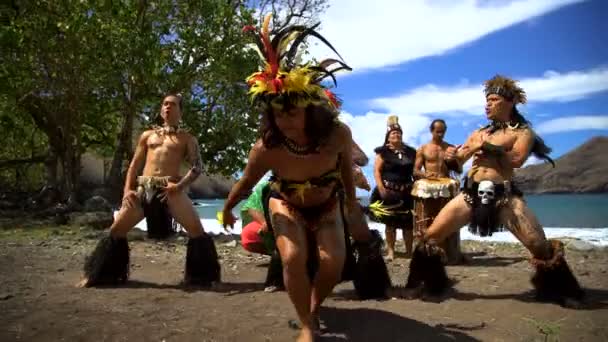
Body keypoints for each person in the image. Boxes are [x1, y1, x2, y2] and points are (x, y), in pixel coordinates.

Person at [222, 15, 390, 342]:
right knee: (293, 257)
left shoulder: (337, 134)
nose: (284, 119)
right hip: (285, 204)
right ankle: (307, 325)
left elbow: (344, 169)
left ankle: (313, 305)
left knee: (334, 262)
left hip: (328, 204)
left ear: (310, 109)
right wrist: (228, 208)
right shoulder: (266, 148)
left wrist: (353, 203)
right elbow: (245, 182)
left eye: (292, 112)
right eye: (277, 113)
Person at [406, 75, 584, 307]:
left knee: (539, 246)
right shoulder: (479, 132)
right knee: (430, 238)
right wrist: (453, 158)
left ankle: (562, 291)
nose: (487, 104)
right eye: (487, 100)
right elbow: (459, 162)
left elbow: (518, 159)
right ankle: (429, 285)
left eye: (493, 99)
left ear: (510, 102)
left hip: (504, 198)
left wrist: (488, 148)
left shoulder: (522, 132)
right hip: (469, 195)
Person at [77, 94, 220, 288]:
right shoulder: (147, 136)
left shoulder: (187, 138)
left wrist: (179, 186)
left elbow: (197, 167)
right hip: (146, 188)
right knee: (116, 230)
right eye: (165, 104)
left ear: (181, 111)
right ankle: (100, 276)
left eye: (173, 105)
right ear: (161, 110)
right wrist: (127, 190)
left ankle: (204, 279)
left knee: (196, 231)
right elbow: (134, 165)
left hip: (170, 190)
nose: (168, 107)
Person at [412, 119, 463, 264]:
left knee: (447, 219)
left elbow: (458, 170)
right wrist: (425, 175)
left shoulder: (450, 148)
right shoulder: (423, 149)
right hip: (429, 188)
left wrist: (453, 159)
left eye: (443, 131)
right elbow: (415, 170)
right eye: (437, 131)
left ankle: (449, 253)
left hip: (446, 186)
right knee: (428, 218)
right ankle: (426, 253)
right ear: (431, 130)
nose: (440, 134)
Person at [367, 116, 416, 261]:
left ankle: (409, 251)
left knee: (408, 224)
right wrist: (381, 187)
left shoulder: (411, 152)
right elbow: (376, 171)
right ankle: (391, 252)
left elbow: (416, 170)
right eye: (393, 133)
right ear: (388, 138)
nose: (396, 135)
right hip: (388, 191)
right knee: (390, 224)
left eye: (399, 133)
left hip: (407, 192)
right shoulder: (383, 152)